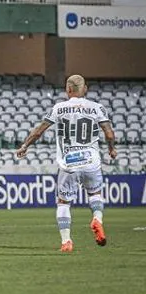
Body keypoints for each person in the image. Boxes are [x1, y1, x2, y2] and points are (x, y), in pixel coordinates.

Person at [16, 74, 117, 253]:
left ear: (68, 89)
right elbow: (109, 133)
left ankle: (66, 241)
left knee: (63, 203)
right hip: (91, 161)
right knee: (95, 193)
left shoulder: (59, 108)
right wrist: (111, 149)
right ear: (84, 89)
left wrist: (25, 146)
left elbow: (39, 131)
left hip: (69, 162)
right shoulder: (97, 108)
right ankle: (97, 219)